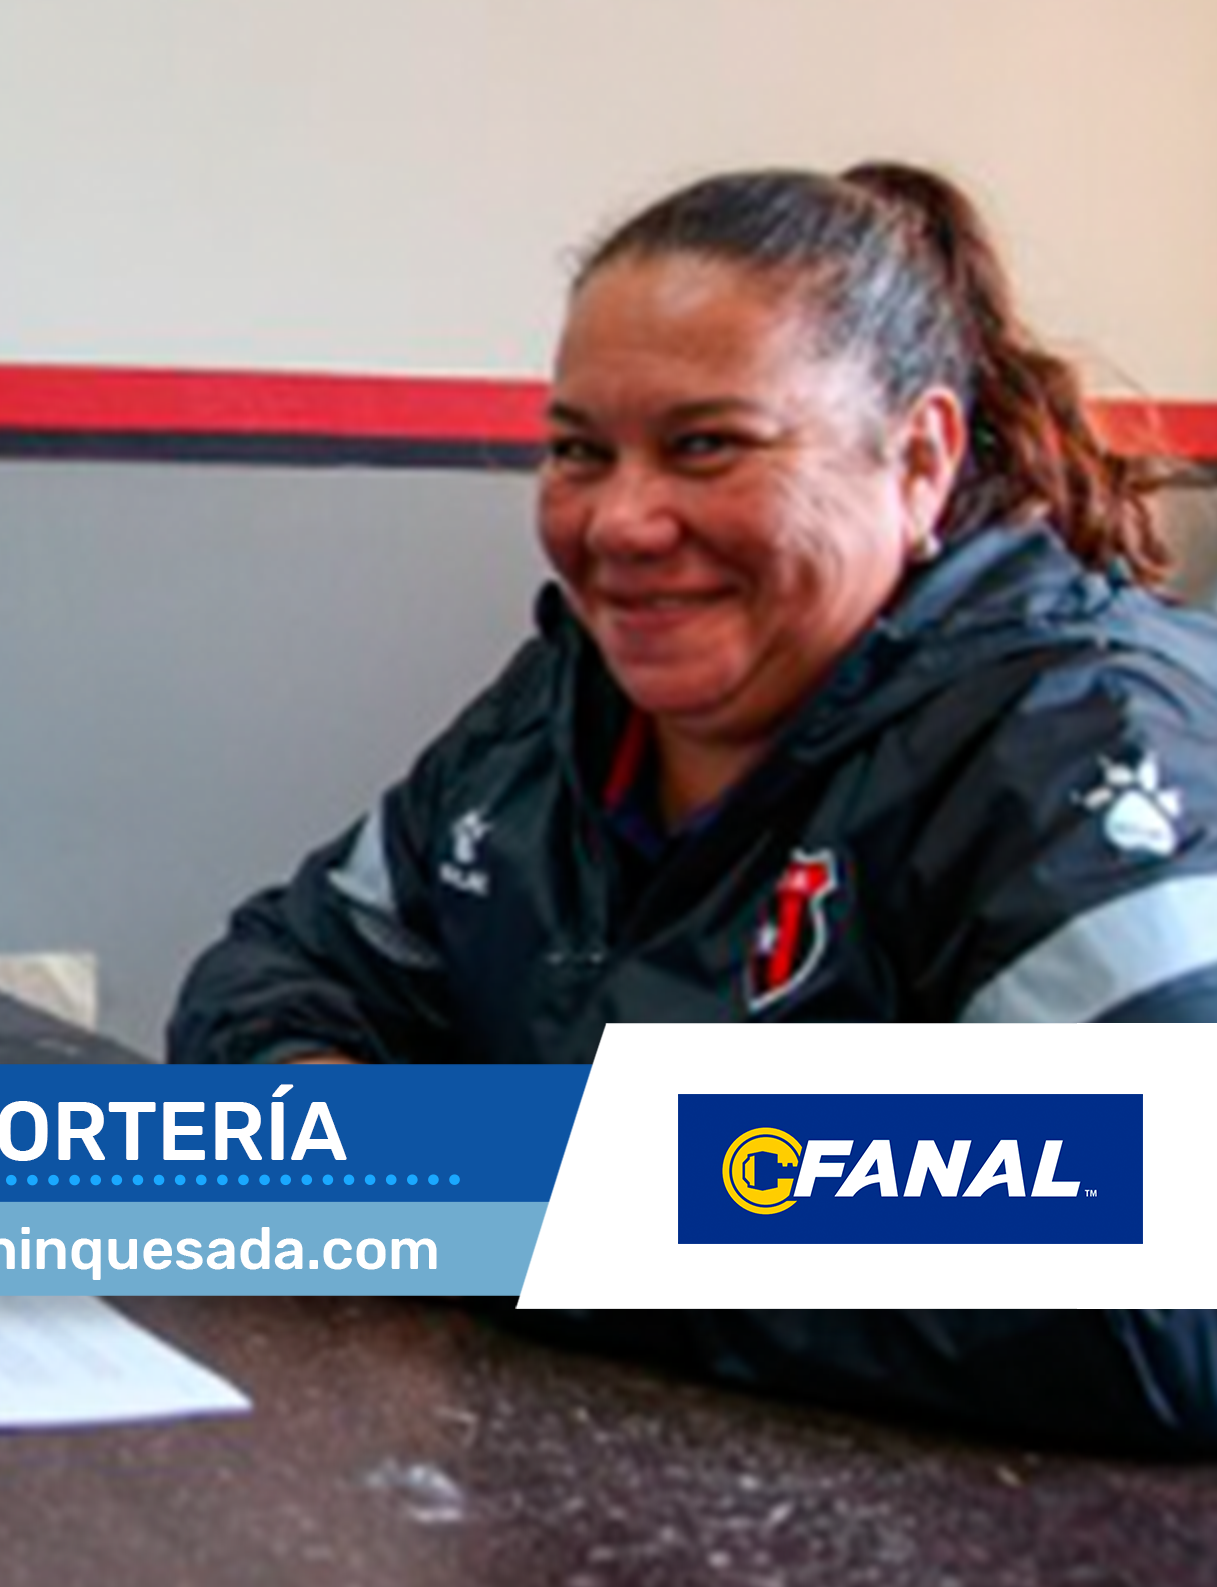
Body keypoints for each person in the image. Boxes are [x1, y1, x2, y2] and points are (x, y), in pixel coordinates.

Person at [168, 164, 1217, 1452]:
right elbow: (282, 970)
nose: (620, 523)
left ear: (919, 459)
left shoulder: (1078, 744)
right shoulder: (558, 712)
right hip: (551, 1481)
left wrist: (493, 1189)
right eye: (577, 451)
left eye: (706, 445)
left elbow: (1164, 1265)